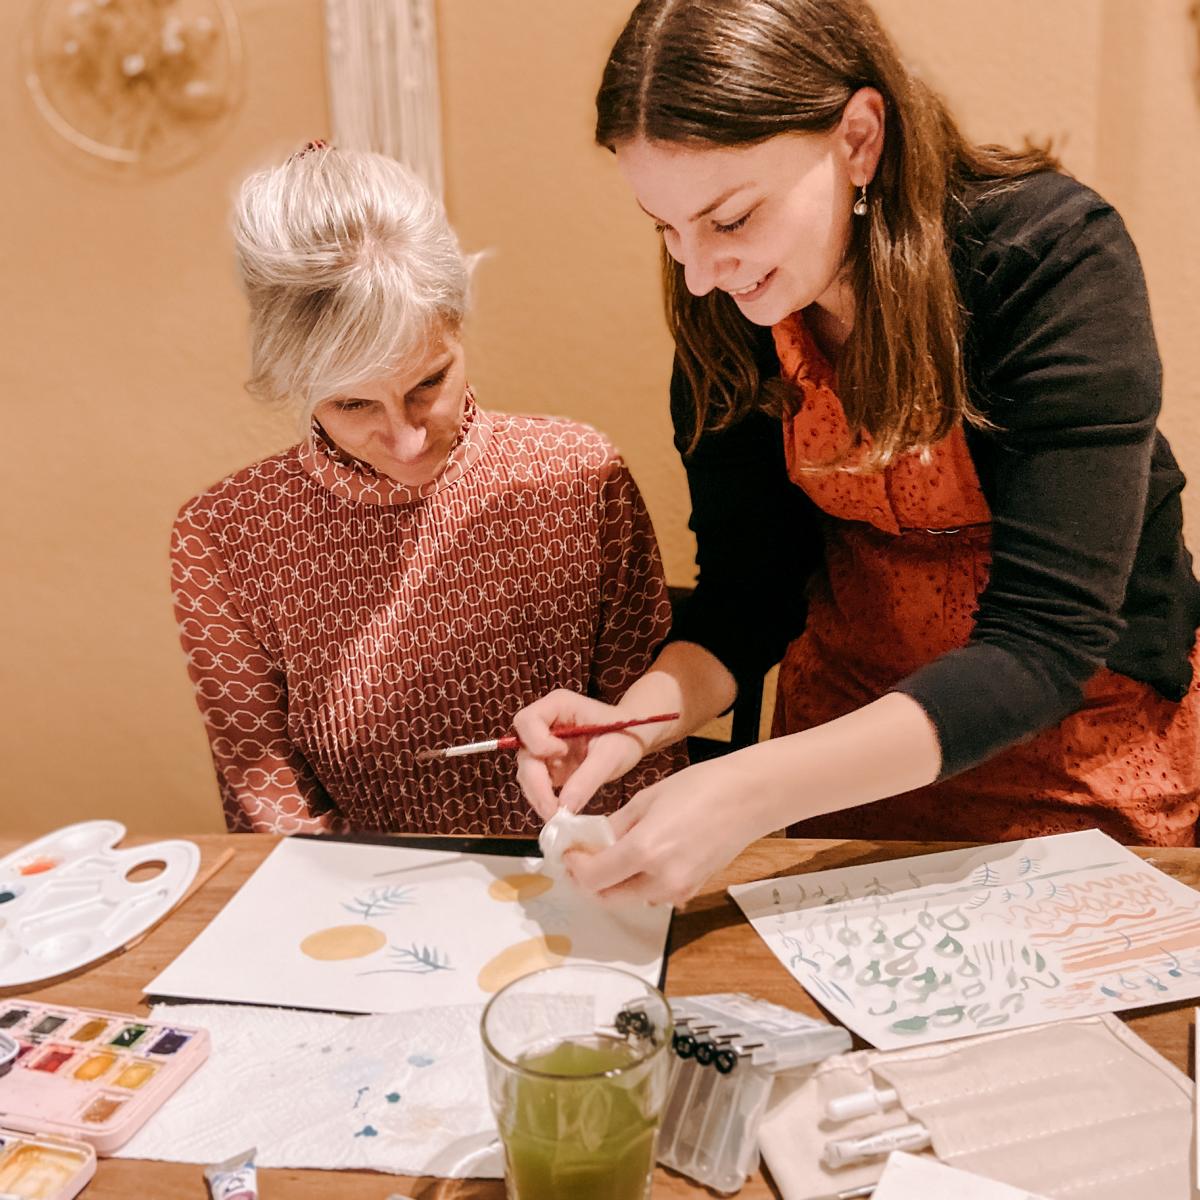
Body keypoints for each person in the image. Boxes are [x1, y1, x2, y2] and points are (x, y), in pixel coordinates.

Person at [513, 0, 1200, 902]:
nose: (700, 273)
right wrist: (630, 725)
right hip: (843, 754)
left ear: (859, 139)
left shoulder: (1047, 259)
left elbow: (1044, 643)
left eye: (731, 218)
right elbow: (749, 599)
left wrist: (748, 789)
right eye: (665, 228)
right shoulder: (731, 313)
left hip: (1079, 746)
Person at [171, 144, 684, 835]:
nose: (408, 441)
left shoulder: (576, 476)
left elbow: (646, 750)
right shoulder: (226, 536)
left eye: (428, 384)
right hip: (355, 892)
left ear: (458, 324)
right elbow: (272, 812)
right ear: (296, 384)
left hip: (587, 871)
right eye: (353, 404)